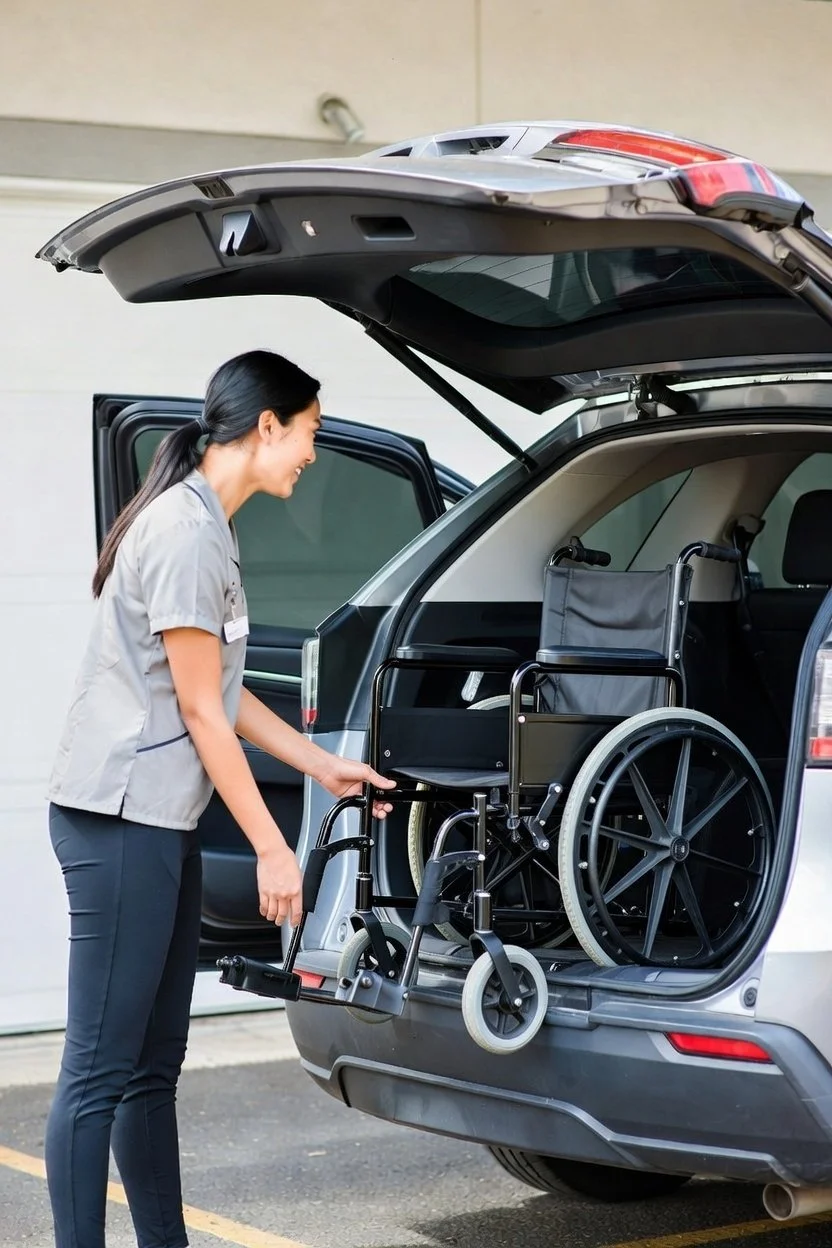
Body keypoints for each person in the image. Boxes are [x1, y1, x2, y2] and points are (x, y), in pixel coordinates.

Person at [44, 349, 395, 1248]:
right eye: (310, 431)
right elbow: (202, 710)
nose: (313, 453)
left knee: (152, 1066)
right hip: (119, 820)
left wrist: (319, 764)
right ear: (266, 424)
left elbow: (223, 690)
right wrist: (273, 848)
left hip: (156, 819)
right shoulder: (188, 531)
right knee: (99, 1071)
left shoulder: (208, 523)